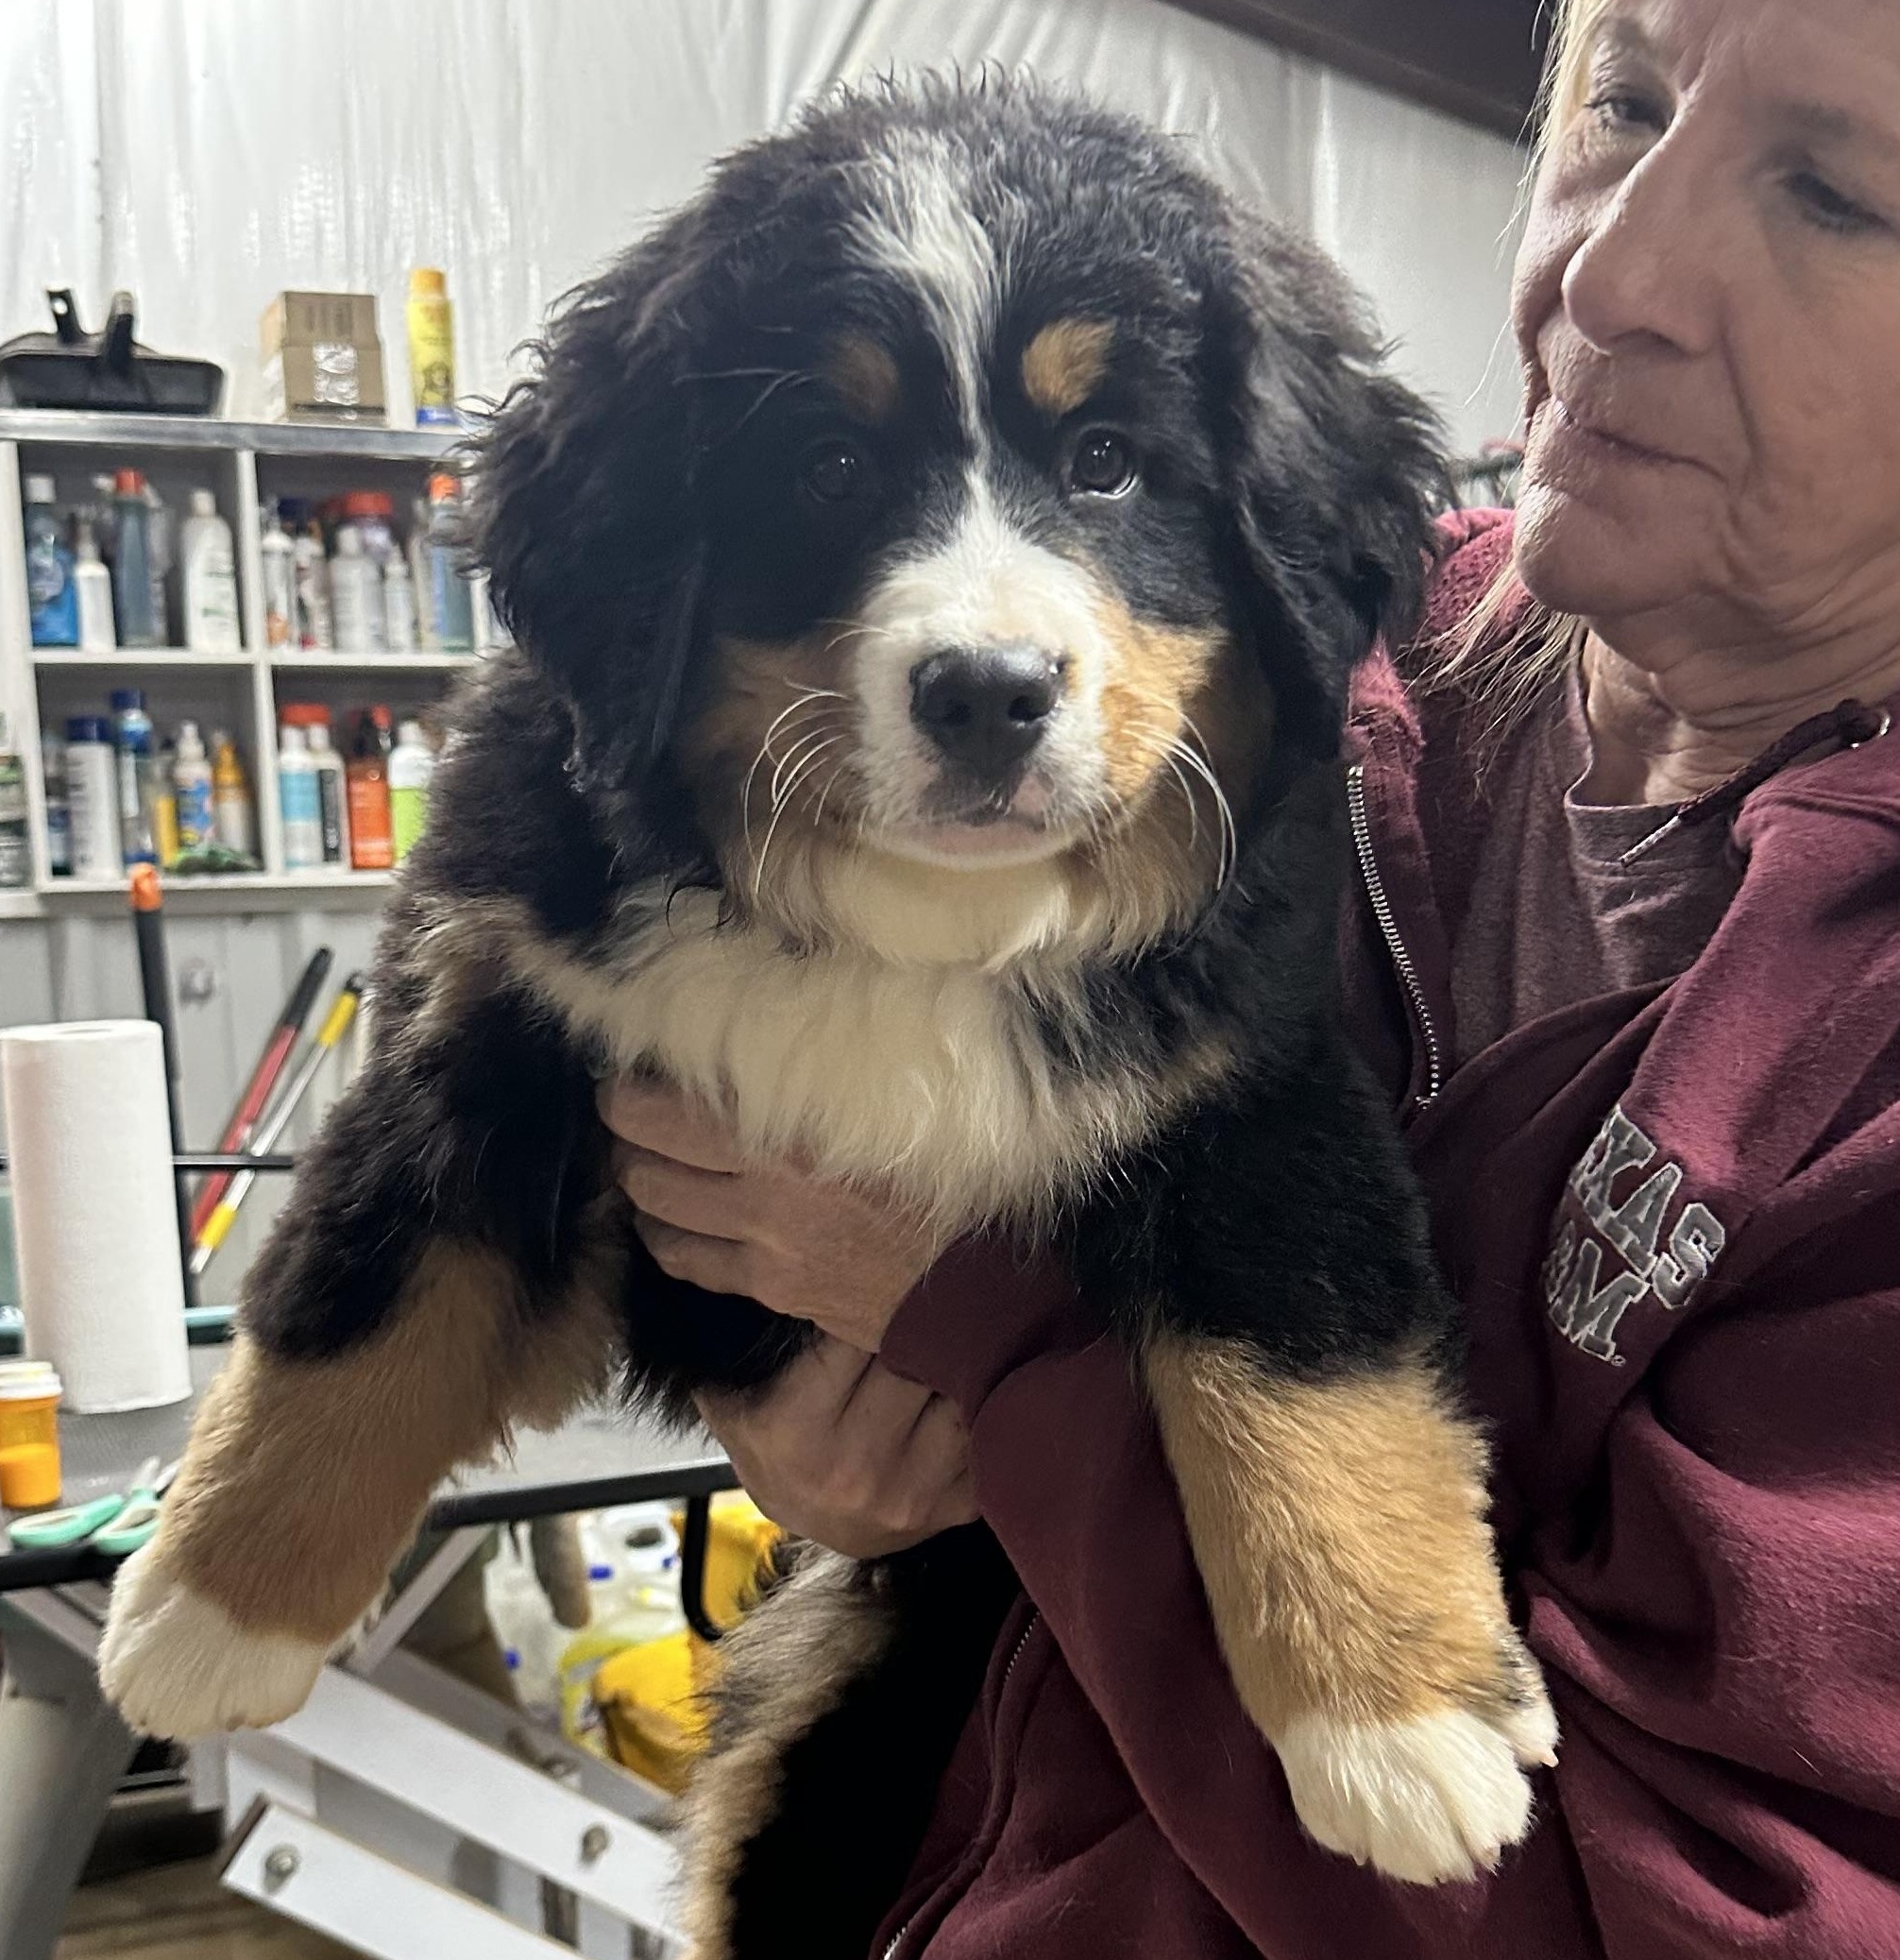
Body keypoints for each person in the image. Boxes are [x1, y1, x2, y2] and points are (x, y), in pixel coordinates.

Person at [601, 0, 1900, 1950]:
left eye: (1825, 192)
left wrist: (1000, 1340)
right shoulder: (1259, 648)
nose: (1610, 271)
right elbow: (745, 1110)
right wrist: (795, 1396)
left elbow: (1653, 1910)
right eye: (1621, 99)